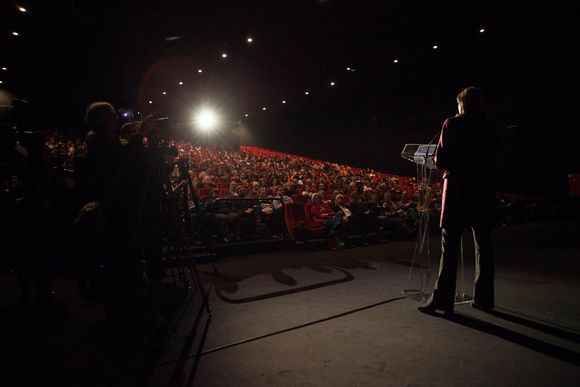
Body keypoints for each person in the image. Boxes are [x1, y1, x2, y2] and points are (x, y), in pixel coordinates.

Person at [418, 87, 498, 314]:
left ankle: (443, 300)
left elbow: (441, 160)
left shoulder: (452, 124)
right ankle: (484, 299)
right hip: (483, 192)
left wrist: (437, 159)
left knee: (450, 247)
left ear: (462, 104)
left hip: (458, 193)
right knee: (484, 246)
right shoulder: (489, 128)